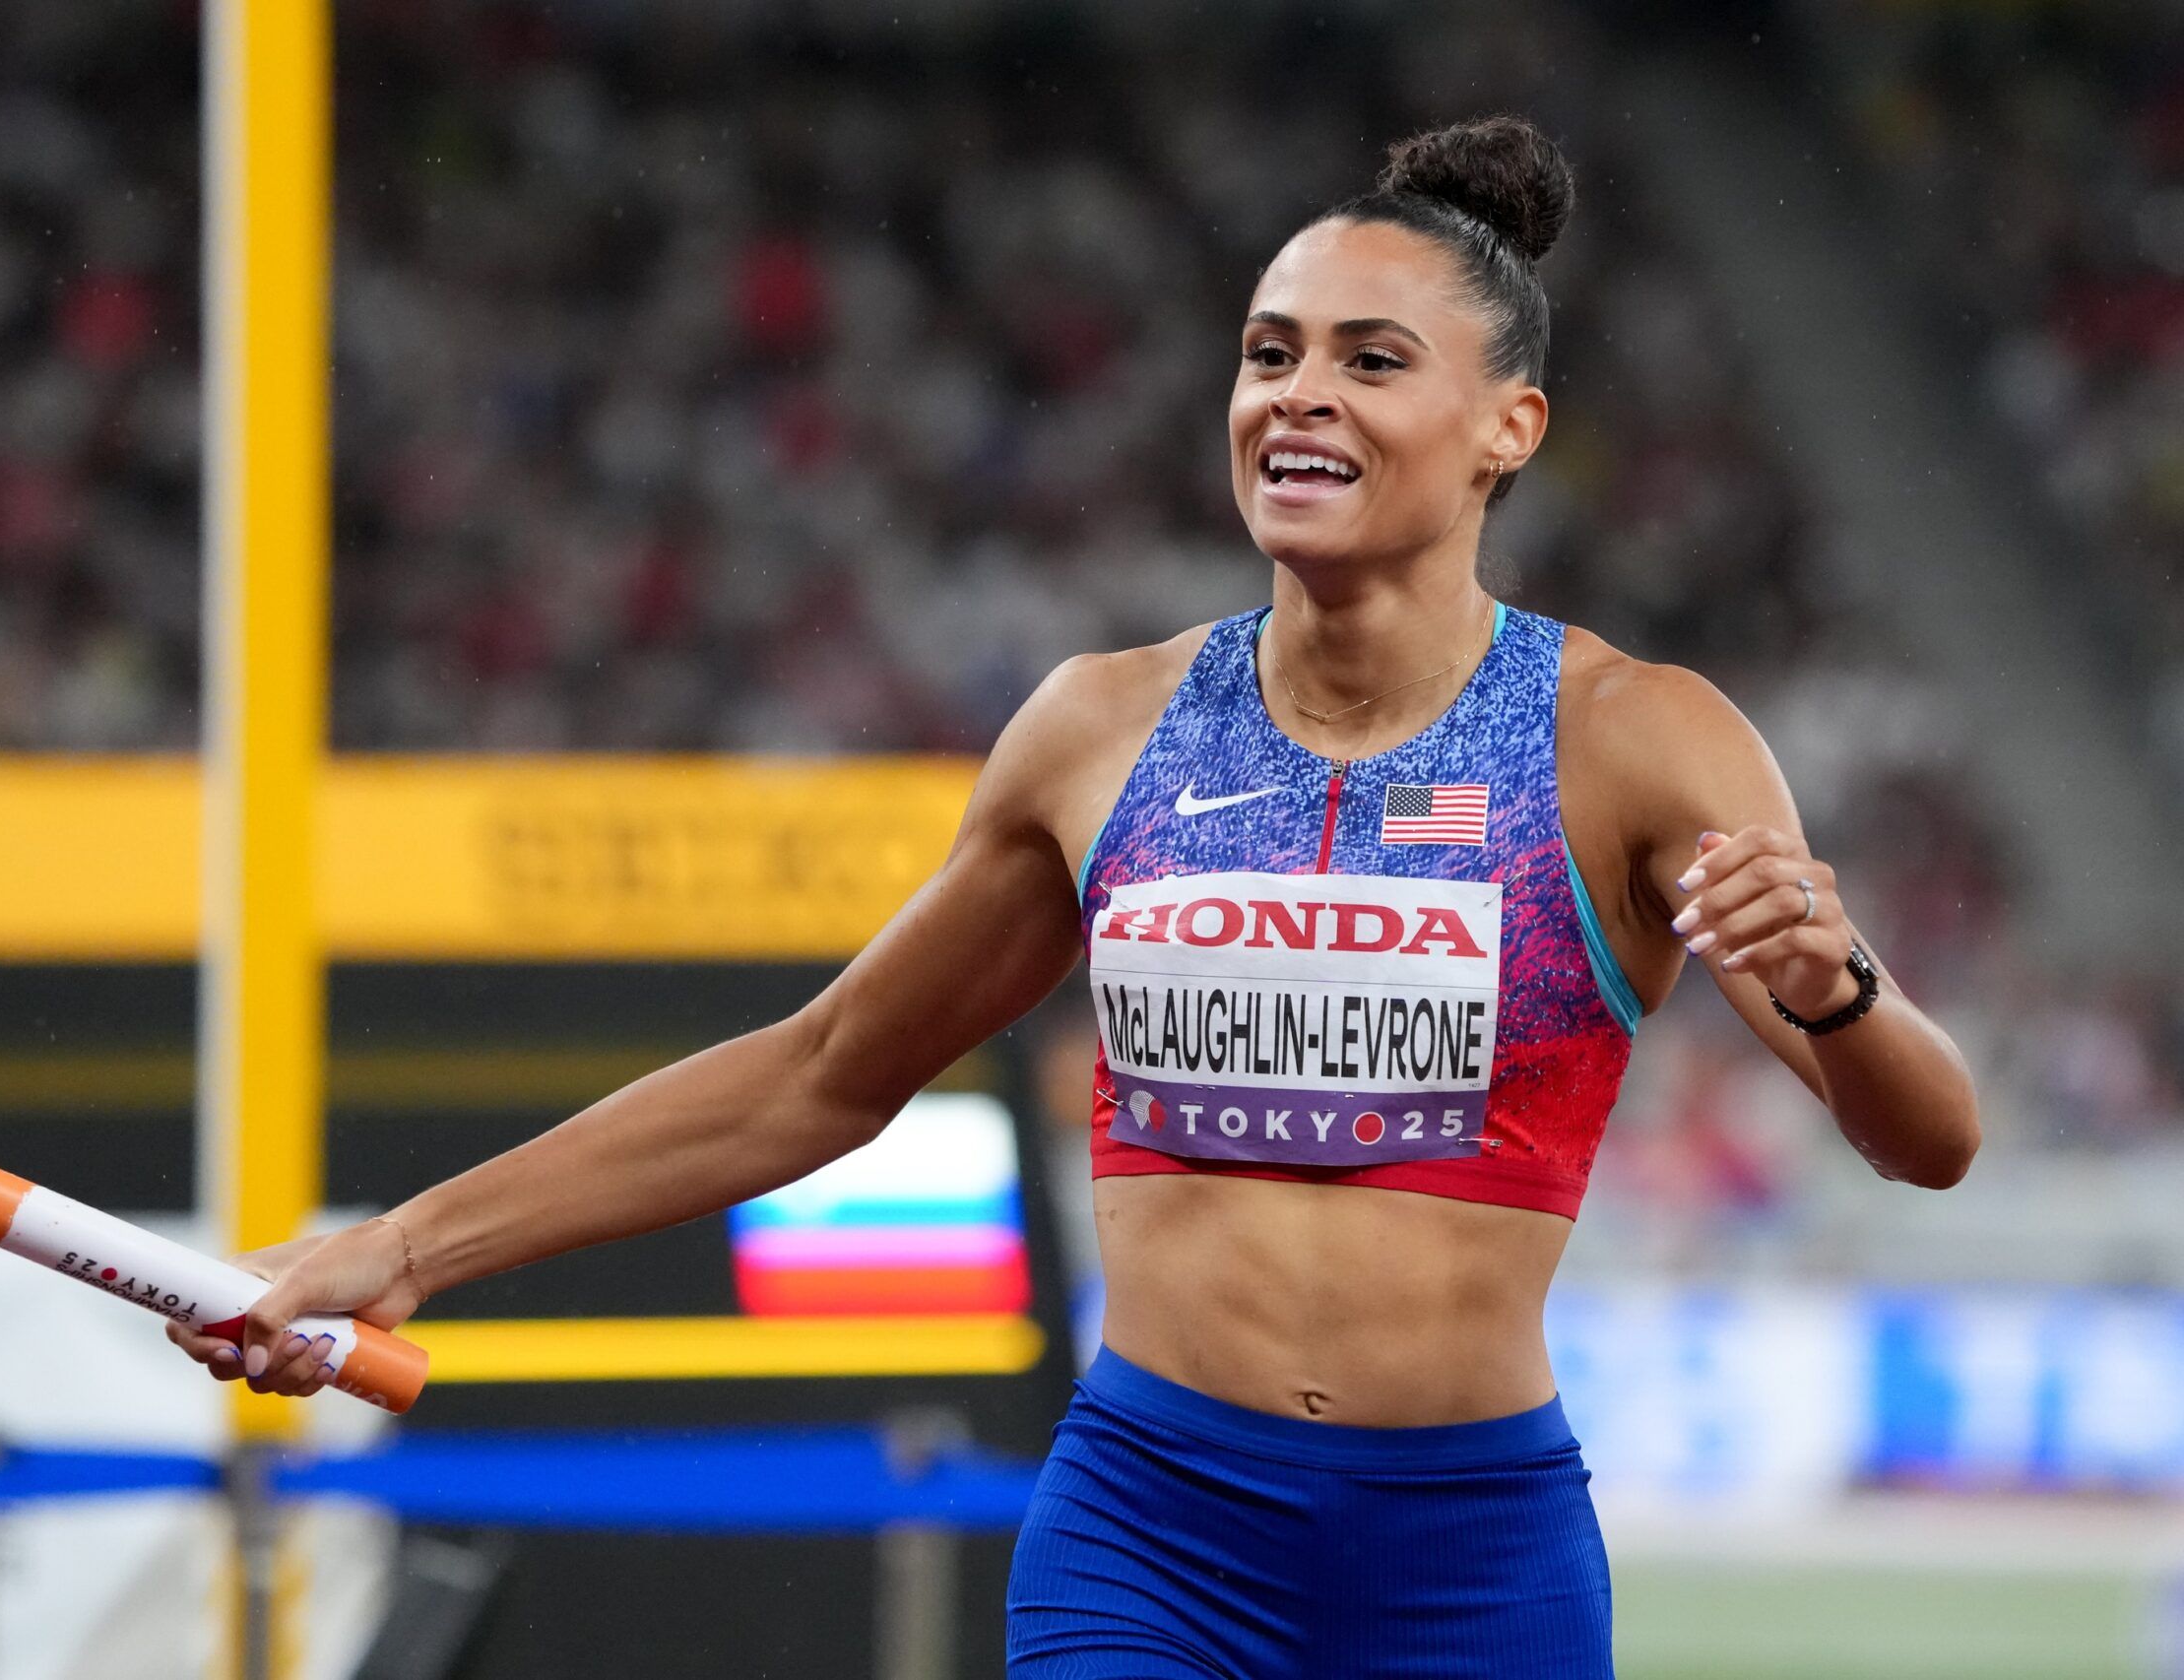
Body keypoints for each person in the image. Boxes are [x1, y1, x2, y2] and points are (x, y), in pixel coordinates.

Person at [167, 113, 1982, 1677]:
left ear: (1509, 425)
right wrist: (403, 1246)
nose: (1297, 396)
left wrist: (1839, 988)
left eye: (1369, 359)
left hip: (1469, 1551)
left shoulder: (1635, 739)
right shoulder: (1100, 731)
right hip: (1153, 1531)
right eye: (1269, 352)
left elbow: (1929, 1140)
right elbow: (820, 1071)